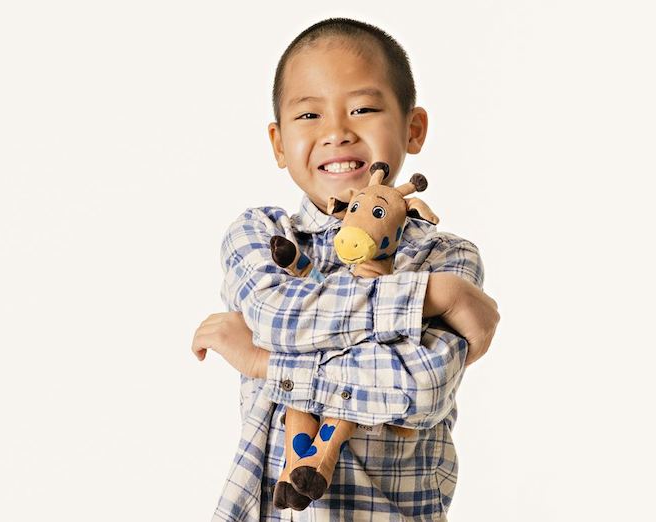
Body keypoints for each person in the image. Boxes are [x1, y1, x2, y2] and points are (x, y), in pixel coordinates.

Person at [190, 18, 501, 521]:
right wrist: (428, 299)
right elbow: (276, 315)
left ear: (413, 128)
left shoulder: (445, 258)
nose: (336, 131)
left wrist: (265, 363)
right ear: (277, 142)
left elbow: (418, 386)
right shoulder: (263, 236)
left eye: (363, 108)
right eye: (309, 114)